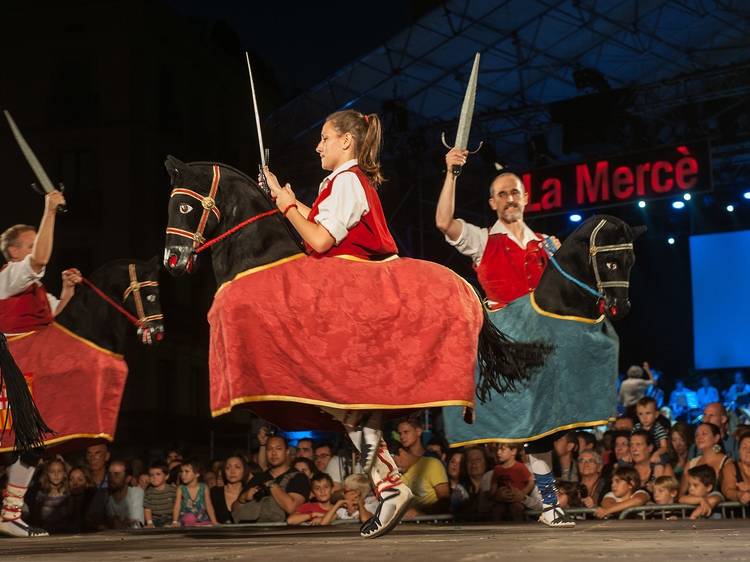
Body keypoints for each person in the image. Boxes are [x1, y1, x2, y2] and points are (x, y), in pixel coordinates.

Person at [262, 110, 411, 538]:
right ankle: (389, 486)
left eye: (324, 138)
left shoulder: (347, 180)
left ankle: (390, 486)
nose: (317, 146)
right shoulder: (342, 182)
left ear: (346, 141)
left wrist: (288, 206)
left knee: (342, 398)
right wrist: (284, 199)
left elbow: (320, 240)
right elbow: (326, 227)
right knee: (342, 404)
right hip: (349, 295)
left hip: (356, 300)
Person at [0, 191, 80, 538]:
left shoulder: (30, 288)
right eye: (30, 245)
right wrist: (49, 211)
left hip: (29, 376)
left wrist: (66, 290)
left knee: (30, 445)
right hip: (9, 375)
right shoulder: (11, 276)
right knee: (20, 444)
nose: (36, 250)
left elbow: (50, 312)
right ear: (14, 251)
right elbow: (39, 259)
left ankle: (10, 513)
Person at [233, 436, 310, 524]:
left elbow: (291, 508)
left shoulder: (298, 477)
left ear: (287, 452)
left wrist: (271, 484)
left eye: (278, 449)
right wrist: (243, 498)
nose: (273, 453)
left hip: (284, 533)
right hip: (256, 533)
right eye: (269, 449)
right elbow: (234, 510)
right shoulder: (258, 478)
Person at [391, 440, 450, 516]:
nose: (394, 467)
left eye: (394, 462)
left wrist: (421, 513)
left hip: (431, 521)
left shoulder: (431, 464)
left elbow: (445, 500)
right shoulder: (395, 475)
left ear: (401, 452)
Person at [680, 422, 733, 497]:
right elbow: (681, 494)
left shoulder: (727, 463)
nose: (699, 437)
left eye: (704, 434)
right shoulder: (691, 464)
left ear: (716, 438)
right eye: (696, 435)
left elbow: (729, 491)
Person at [488, 443, 533, 521]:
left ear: (513, 451)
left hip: (516, 500)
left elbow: (531, 481)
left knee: (516, 508)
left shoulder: (520, 467)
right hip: (502, 500)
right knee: (496, 510)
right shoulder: (497, 469)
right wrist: (495, 495)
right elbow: (493, 485)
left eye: (502, 449)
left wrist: (522, 493)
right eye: (497, 450)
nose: (498, 452)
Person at [29, 459, 70, 534]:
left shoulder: (69, 493)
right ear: (47, 474)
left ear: (64, 473)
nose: (56, 475)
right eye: (52, 471)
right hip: (45, 535)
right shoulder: (40, 495)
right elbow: (35, 520)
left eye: (59, 471)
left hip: (66, 535)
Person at [172, 459, 216, 527]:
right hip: (185, 522)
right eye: (182, 471)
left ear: (197, 474)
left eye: (186, 471)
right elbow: (177, 506)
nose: (183, 474)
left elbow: (209, 505)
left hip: (202, 521)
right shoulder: (181, 488)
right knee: (189, 517)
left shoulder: (204, 487)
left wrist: (214, 522)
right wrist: (174, 522)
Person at [630, 430, 674, 496]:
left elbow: (671, 496)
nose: (634, 449)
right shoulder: (628, 469)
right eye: (631, 445)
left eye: (638, 444)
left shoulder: (663, 468)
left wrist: (656, 490)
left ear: (650, 448)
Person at [105, 460, 144, 529]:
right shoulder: (105, 496)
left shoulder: (136, 493)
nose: (111, 477)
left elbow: (136, 526)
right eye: (109, 474)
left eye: (116, 474)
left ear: (128, 479)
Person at [210, 455, 247, 524]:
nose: (232, 471)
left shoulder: (249, 493)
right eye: (228, 468)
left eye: (237, 467)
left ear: (244, 470)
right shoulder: (214, 492)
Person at [633, 397, 669, 463]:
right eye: (641, 414)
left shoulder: (658, 428)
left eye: (648, 413)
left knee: (664, 458)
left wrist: (657, 453)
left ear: (656, 414)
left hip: (655, 455)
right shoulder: (636, 427)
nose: (644, 417)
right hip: (639, 454)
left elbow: (664, 447)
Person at [143, 461, 176, 528]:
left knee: (168, 527)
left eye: (158, 474)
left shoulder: (172, 490)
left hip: (169, 518)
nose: (154, 477)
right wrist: (149, 523)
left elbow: (177, 507)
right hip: (155, 519)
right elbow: (147, 509)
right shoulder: (148, 492)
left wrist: (175, 521)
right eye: (151, 475)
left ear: (166, 476)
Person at [721, 433, 750, 505]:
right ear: (739, 451)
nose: (748, 451)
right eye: (744, 447)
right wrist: (740, 495)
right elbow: (728, 491)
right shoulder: (731, 467)